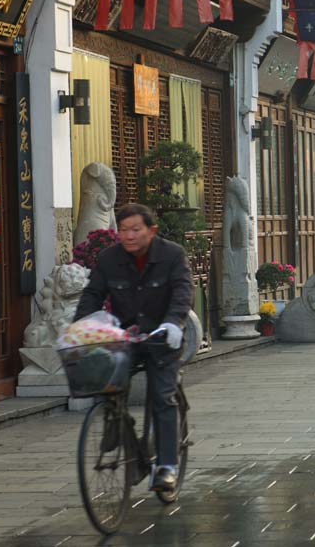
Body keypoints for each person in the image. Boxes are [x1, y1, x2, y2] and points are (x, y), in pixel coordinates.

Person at [74, 203, 193, 493]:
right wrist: (84, 327)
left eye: (135, 230)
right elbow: (92, 295)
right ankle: (121, 434)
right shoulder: (109, 259)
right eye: (124, 230)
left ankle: (166, 466)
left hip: (163, 337)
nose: (129, 236)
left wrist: (174, 323)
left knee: (163, 397)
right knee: (108, 386)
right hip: (126, 336)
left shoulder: (172, 255)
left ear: (151, 230)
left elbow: (182, 291)